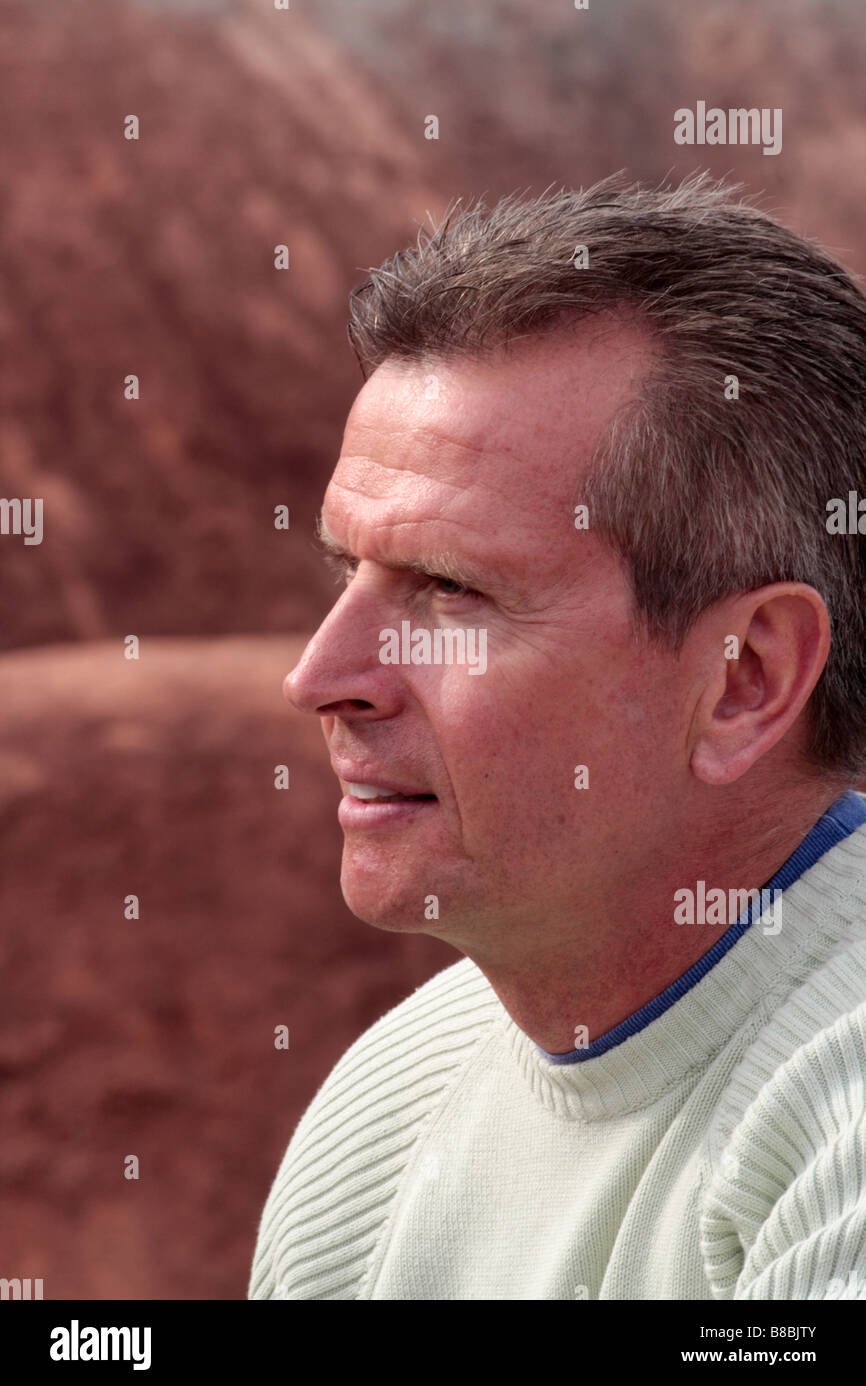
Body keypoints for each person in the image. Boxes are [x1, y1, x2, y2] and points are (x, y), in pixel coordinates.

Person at [249, 173, 866, 1300]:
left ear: (742, 678)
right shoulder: (385, 1113)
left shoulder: (843, 1122)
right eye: (349, 570)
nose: (320, 678)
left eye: (446, 590)